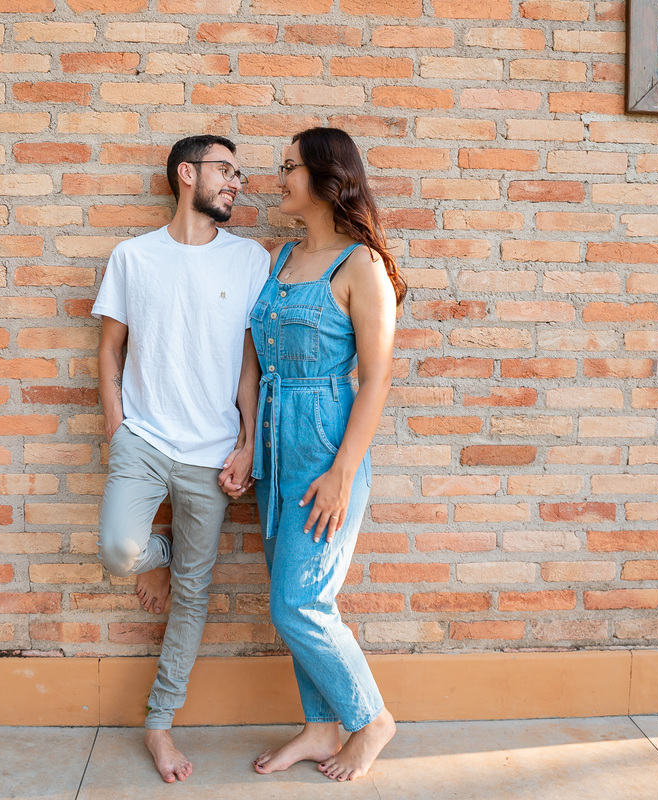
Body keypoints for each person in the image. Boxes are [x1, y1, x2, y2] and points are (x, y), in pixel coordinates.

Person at [92, 134, 269, 783]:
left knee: (193, 595)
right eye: (225, 170)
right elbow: (110, 348)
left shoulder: (251, 260)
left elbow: (250, 366)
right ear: (186, 173)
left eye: (238, 172)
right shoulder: (133, 258)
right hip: (142, 441)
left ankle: (159, 725)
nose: (236, 182)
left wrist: (247, 442)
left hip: (211, 456)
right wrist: (117, 425)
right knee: (118, 550)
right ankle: (155, 555)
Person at [248, 127, 407, 782]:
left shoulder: (361, 265)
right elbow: (253, 358)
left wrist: (342, 474)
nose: (279, 178)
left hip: (324, 444)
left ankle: (370, 720)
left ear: (324, 177)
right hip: (273, 445)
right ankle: (320, 729)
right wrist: (245, 441)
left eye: (289, 167)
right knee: (292, 597)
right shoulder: (283, 257)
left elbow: (377, 377)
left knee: (299, 603)